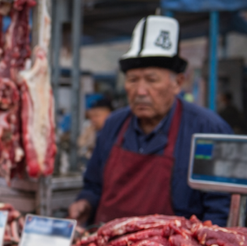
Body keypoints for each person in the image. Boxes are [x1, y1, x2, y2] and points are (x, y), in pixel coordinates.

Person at [68, 16, 232, 226]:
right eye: (133, 80)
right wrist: (85, 203)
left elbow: (220, 210)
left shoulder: (208, 130)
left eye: (152, 80)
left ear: (178, 83)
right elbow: (93, 185)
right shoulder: (114, 124)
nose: (140, 91)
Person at [77, 95, 113, 159]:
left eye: (97, 115)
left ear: (109, 114)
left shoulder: (117, 132)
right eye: (91, 116)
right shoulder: (91, 129)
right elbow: (80, 144)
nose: (93, 119)